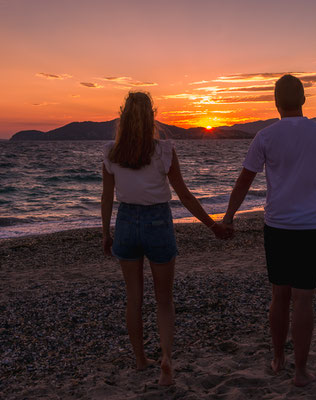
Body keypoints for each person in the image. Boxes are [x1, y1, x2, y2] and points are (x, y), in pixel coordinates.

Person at [222, 74, 316, 387]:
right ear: (303, 99)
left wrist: (227, 217)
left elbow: (244, 181)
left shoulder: (265, 136)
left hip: (278, 226)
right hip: (314, 227)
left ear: (276, 102)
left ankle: (279, 358)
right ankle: (301, 372)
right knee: (304, 299)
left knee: (279, 295)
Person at [101, 92, 231, 386]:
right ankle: (166, 360)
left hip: (125, 223)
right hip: (158, 221)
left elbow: (107, 196)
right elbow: (184, 195)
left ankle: (139, 359)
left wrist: (106, 232)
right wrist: (212, 225)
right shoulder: (164, 150)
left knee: (134, 297)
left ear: (122, 115)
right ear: (152, 116)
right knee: (164, 299)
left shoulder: (111, 151)